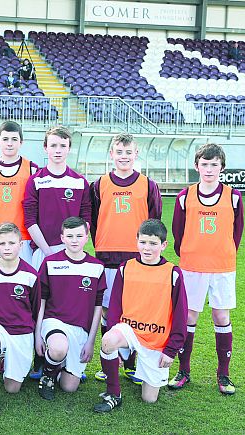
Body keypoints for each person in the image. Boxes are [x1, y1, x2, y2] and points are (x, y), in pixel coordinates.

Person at [169, 143, 243, 395]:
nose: (209, 169)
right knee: (189, 318)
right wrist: (190, 252)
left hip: (222, 267)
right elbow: (177, 231)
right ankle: (184, 371)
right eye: (204, 164)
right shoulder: (184, 196)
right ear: (196, 166)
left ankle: (224, 375)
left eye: (214, 164)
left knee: (221, 317)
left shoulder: (233, 196)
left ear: (222, 167)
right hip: (192, 266)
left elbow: (237, 232)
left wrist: (222, 253)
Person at [94, 219, 188, 412]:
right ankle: (114, 393)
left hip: (156, 341)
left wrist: (171, 350)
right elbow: (114, 308)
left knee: (149, 399)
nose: (147, 248)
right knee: (108, 340)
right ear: (136, 241)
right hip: (129, 330)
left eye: (153, 244)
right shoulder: (125, 268)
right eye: (143, 242)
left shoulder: (173, 273)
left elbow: (181, 315)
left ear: (163, 245)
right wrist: (118, 346)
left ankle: (144, 373)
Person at [90, 133, 162, 384]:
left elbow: (154, 222)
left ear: (136, 154)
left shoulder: (148, 184)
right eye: (119, 152)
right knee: (109, 310)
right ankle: (108, 360)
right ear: (112, 154)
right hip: (108, 255)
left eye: (128, 152)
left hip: (137, 258)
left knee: (135, 311)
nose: (123, 157)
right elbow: (95, 220)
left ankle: (131, 363)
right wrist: (101, 244)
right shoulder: (98, 184)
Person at [36, 217, 105, 401]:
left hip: (80, 329)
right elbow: (40, 301)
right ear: (62, 238)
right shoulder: (50, 263)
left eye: (79, 235)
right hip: (54, 322)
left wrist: (90, 341)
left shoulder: (96, 267)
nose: (74, 240)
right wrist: (37, 336)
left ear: (87, 237)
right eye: (70, 236)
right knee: (59, 347)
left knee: (69, 387)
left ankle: (56, 367)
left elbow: (98, 307)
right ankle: (48, 376)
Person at [0, 223, 40, 415]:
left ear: (20, 244)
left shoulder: (30, 274)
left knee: (12, 388)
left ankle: (3, 359)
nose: (6, 247)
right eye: (1, 243)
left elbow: (35, 310)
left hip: (21, 332)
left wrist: (36, 339)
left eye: (11, 243)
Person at [23, 126, 91, 270]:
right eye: (53, 145)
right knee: (41, 293)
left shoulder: (80, 182)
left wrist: (73, 247)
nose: (58, 150)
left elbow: (86, 218)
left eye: (63, 146)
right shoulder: (35, 181)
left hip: (71, 252)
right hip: (43, 251)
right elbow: (30, 220)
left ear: (69, 148)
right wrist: (47, 252)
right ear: (45, 148)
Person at [0, 120, 38, 265]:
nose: (9, 143)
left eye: (14, 139)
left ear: (21, 142)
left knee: (24, 279)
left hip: (23, 236)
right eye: (5, 139)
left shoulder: (32, 169)